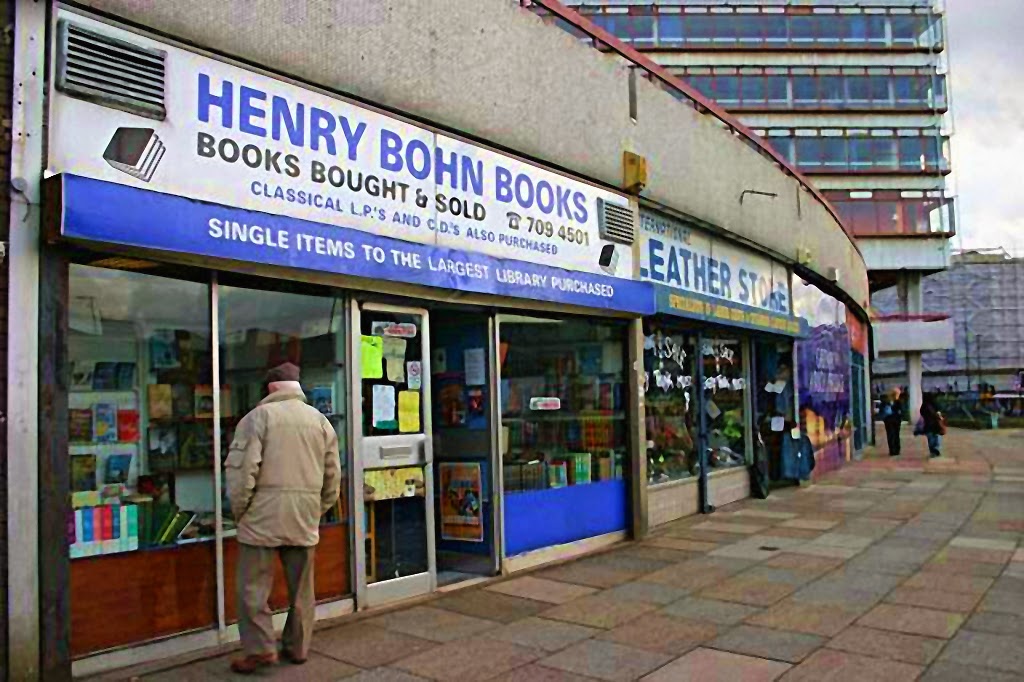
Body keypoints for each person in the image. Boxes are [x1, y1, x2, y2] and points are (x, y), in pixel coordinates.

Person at [225, 362, 342, 674]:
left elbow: (241, 475)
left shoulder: (257, 418)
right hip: (303, 516)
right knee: (302, 588)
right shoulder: (320, 422)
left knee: (252, 588)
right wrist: (316, 511)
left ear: (270, 389)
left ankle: (261, 650)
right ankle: (298, 647)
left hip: (261, 516)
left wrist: (240, 512)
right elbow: (333, 479)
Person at [920, 392, 943, 458]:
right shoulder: (935, 404)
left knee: (930, 438)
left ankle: (933, 451)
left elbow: (922, 413)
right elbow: (939, 412)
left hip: (928, 424)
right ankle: (937, 449)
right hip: (936, 423)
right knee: (937, 436)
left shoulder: (924, 405)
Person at [881, 387, 902, 457]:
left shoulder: (898, 401)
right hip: (890, 420)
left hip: (894, 420)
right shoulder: (888, 401)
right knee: (892, 435)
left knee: (894, 435)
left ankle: (895, 450)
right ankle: (893, 450)